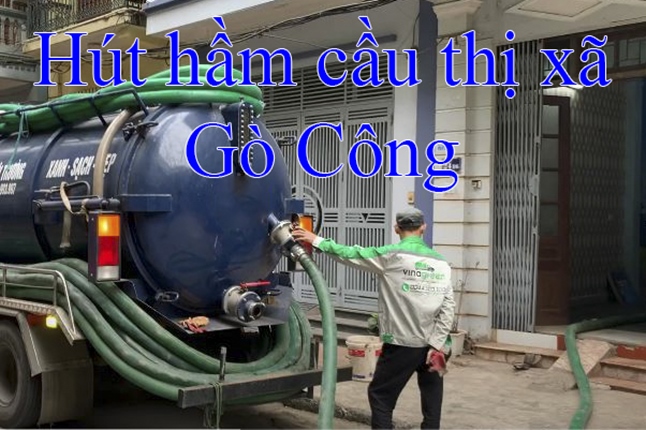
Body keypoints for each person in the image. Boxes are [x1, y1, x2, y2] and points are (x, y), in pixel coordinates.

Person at [292, 207, 455, 430]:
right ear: (423, 228)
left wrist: (316, 240)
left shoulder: (392, 255)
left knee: (380, 396)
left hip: (402, 344)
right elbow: (448, 307)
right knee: (432, 400)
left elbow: (351, 254)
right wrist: (437, 344)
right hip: (436, 346)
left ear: (396, 228)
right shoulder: (441, 263)